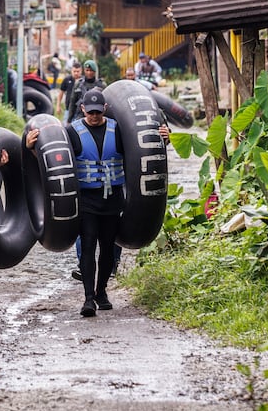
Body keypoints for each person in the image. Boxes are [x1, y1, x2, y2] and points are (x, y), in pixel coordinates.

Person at [26, 88, 168, 317]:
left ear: (105, 108)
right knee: (88, 247)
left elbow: (141, 153)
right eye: (89, 112)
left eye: (97, 111)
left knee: (108, 251)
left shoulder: (119, 130)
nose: (94, 116)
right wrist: (32, 148)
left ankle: (102, 291)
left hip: (112, 200)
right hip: (87, 201)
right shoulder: (72, 132)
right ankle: (89, 298)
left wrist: (162, 139)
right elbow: (53, 163)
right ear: (82, 109)